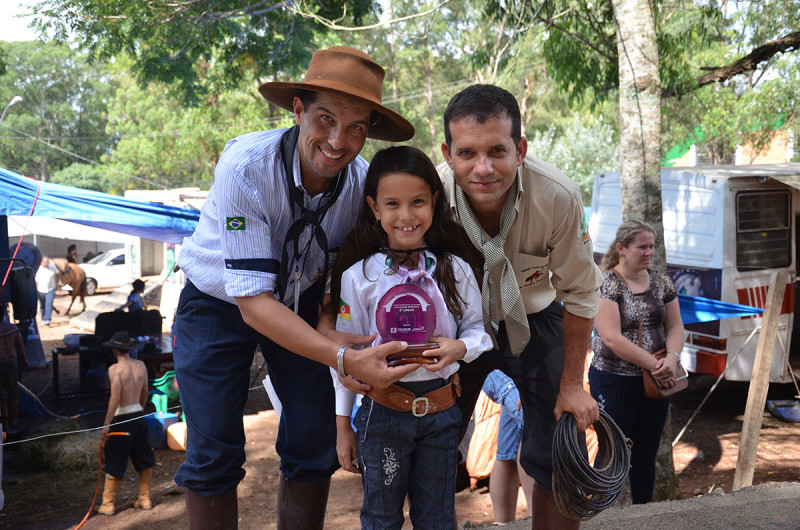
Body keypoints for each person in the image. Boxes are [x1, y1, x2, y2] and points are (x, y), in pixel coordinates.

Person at [172, 46, 418, 529]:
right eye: (324, 118)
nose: (336, 140)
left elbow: (340, 275)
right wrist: (341, 358)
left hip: (301, 302)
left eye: (355, 128)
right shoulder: (246, 167)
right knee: (214, 450)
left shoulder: (362, 186)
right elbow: (253, 303)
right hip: (219, 304)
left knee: (313, 438)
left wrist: (329, 324)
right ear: (299, 110)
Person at [437, 84, 603, 529]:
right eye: (467, 153)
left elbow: (581, 292)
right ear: (448, 154)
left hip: (534, 318)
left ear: (521, 149)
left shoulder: (557, 196)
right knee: (432, 442)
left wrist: (573, 383)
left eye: (498, 151)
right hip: (455, 328)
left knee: (557, 444)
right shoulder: (428, 195)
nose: (483, 168)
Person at [330, 146, 492, 529]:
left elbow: (478, 331)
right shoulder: (359, 277)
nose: (406, 215)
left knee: (437, 518)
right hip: (382, 413)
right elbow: (346, 353)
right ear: (374, 208)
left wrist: (460, 347)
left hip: (441, 413)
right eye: (392, 204)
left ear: (435, 202)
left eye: (417, 202)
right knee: (382, 518)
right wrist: (343, 427)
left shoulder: (455, 269)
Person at [589, 219, 685, 504]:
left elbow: (676, 327)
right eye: (642, 247)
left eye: (651, 246)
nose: (648, 252)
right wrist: (655, 365)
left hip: (657, 380)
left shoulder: (661, 281)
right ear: (622, 248)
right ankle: (601, 516)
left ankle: (644, 513)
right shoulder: (607, 284)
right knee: (612, 452)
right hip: (613, 379)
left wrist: (672, 358)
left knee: (646, 451)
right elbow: (611, 338)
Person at [97, 330, 156, 515]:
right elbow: (145, 391)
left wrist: (107, 424)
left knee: (115, 458)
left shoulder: (115, 369)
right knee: (143, 457)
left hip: (121, 419)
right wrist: (139, 407)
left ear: (115, 349)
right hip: (138, 416)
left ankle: (108, 504)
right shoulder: (141, 365)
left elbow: (115, 398)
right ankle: (145, 498)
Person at [480, 369, 533, 523]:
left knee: (508, 453)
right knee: (534, 420)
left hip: (523, 369)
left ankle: (502, 525)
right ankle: (536, 519)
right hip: (501, 364)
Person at [0, 305, 26, 433]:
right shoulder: (12, 328)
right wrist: (24, 361)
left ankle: (5, 424)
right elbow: (21, 347)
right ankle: (13, 421)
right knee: (13, 393)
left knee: (2, 396)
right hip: (11, 364)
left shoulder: (13, 328)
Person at [36, 256, 58, 325]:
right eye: (46, 262)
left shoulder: (52, 268)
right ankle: (43, 318)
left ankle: (47, 319)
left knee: (48, 304)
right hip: (40, 290)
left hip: (50, 289)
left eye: (48, 262)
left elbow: (57, 273)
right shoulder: (37, 269)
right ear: (41, 262)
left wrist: (57, 282)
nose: (47, 264)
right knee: (42, 305)